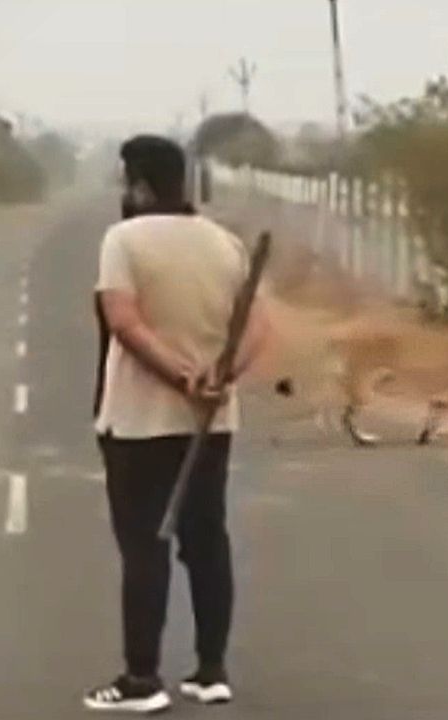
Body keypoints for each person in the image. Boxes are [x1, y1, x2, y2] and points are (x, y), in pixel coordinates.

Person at [84, 135, 269, 713]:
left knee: (144, 547)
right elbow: (260, 328)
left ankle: (141, 680)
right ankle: (211, 672)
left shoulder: (123, 239)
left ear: (138, 183)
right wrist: (218, 378)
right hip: (209, 425)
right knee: (206, 542)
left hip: (139, 424)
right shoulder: (225, 244)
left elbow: (124, 322)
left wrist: (179, 376)